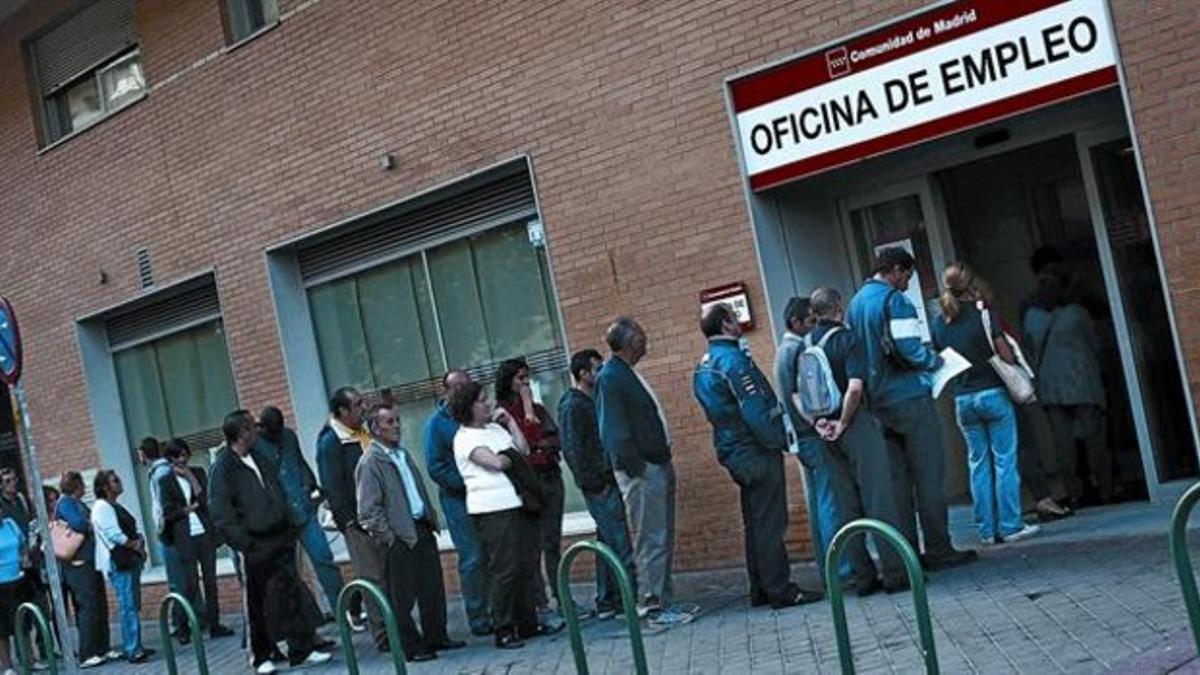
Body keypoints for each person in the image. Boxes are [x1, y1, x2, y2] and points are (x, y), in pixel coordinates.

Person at [844, 247, 975, 570]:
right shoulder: (896, 301)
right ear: (896, 270)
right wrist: (937, 361)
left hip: (877, 404)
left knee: (896, 485)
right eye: (907, 276)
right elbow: (909, 349)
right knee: (928, 477)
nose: (906, 284)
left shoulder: (855, 303)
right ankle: (939, 549)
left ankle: (905, 553)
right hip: (909, 399)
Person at [693, 303, 823, 609]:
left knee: (754, 521)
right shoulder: (734, 361)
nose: (738, 323)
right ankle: (780, 590)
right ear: (726, 324)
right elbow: (755, 410)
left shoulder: (705, 363)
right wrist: (779, 440)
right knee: (769, 523)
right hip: (754, 450)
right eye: (734, 319)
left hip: (732, 449)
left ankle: (761, 588)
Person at [801, 287, 909, 595]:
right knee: (879, 499)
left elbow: (800, 394)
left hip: (824, 432)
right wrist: (844, 422)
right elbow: (856, 388)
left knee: (845, 505)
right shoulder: (848, 340)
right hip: (854, 426)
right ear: (839, 308)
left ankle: (863, 578)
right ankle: (895, 574)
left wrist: (819, 423)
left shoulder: (808, 344)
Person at [210, 410, 333, 674]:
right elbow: (221, 512)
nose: (257, 431)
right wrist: (245, 543)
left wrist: (287, 524)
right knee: (257, 601)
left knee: (291, 592)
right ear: (242, 432)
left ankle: (302, 649)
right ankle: (260, 656)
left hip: (280, 535)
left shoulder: (260, 457)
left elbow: (277, 489)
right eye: (252, 427)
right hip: (254, 542)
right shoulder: (223, 468)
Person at [932, 264, 1041, 545]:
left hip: (963, 398)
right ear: (970, 286)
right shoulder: (983, 316)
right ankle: (1011, 525)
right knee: (1005, 460)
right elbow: (1004, 354)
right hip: (992, 393)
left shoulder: (939, 323)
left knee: (977, 464)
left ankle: (986, 530)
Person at [595, 317, 693, 625]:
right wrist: (638, 467)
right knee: (651, 537)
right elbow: (613, 430)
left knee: (661, 534)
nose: (645, 338)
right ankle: (652, 605)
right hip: (641, 471)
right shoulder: (611, 377)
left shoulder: (625, 374)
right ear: (628, 342)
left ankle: (663, 599)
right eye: (640, 334)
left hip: (653, 464)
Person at [357, 404, 464, 662]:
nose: (396, 426)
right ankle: (410, 647)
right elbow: (368, 510)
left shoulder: (401, 454)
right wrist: (390, 538)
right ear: (374, 429)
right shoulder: (371, 461)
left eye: (397, 420)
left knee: (432, 588)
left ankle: (436, 636)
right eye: (389, 422)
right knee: (402, 597)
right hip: (398, 536)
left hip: (421, 527)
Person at [449, 381, 546, 649]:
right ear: (469, 407)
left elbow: (522, 450)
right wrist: (509, 456)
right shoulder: (464, 438)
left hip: (517, 503)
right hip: (492, 509)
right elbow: (494, 463)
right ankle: (503, 627)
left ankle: (528, 622)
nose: (489, 403)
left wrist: (511, 423)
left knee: (526, 564)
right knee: (504, 569)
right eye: (482, 400)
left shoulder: (494, 429)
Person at [1024, 264, 1112, 506]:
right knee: (1094, 440)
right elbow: (1096, 345)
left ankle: (1074, 493)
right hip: (1083, 382)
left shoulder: (1032, 318)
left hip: (1051, 386)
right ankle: (1105, 489)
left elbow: (1029, 353)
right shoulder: (1077, 314)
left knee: (1063, 446)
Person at [558, 348, 636, 619]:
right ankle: (630, 601)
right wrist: (595, 482)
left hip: (606, 478)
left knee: (608, 542)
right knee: (619, 542)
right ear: (583, 374)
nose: (601, 372)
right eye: (597, 368)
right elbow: (573, 450)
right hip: (599, 483)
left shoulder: (594, 399)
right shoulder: (573, 405)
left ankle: (607, 600)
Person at [771, 297, 843, 581]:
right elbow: (805, 394)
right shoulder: (799, 349)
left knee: (817, 502)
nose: (815, 326)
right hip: (811, 433)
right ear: (796, 323)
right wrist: (819, 422)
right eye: (810, 321)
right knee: (829, 501)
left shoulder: (782, 351)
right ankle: (839, 568)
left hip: (799, 437)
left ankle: (826, 568)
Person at [256, 407, 344, 616]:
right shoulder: (256, 446)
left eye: (279, 429)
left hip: (304, 510)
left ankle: (343, 610)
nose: (277, 435)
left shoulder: (289, 436)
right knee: (289, 573)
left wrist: (311, 485)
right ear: (263, 427)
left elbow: (299, 463)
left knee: (324, 559)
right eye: (272, 431)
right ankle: (305, 623)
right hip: (281, 520)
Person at [494, 358, 565, 617]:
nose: (525, 383)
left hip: (549, 476)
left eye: (527, 378)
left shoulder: (538, 408)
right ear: (508, 382)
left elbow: (551, 439)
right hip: (528, 483)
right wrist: (526, 410)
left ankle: (562, 595)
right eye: (519, 378)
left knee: (552, 542)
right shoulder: (502, 413)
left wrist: (542, 442)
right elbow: (523, 446)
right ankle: (540, 602)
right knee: (533, 545)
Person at [423, 370, 491, 636]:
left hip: (487, 495)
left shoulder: (476, 418)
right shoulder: (436, 425)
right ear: (446, 392)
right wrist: (467, 483)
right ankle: (478, 617)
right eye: (458, 387)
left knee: (492, 555)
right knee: (472, 557)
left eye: (467, 386)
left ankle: (499, 610)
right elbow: (435, 466)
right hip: (459, 501)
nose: (465, 391)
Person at [316, 387, 383, 645]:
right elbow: (333, 486)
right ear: (342, 411)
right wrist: (349, 522)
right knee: (371, 576)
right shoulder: (331, 441)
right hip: (357, 520)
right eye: (357, 404)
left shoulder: (362, 433)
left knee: (386, 573)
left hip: (379, 513)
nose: (363, 407)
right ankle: (383, 634)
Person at [157, 439, 233, 641]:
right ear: (170, 459)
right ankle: (183, 628)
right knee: (189, 584)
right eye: (178, 456)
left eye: (185, 455)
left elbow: (205, 499)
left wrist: (190, 478)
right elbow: (168, 511)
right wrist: (186, 509)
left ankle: (215, 624)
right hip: (184, 537)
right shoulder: (165, 481)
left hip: (204, 534)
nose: (183, 459)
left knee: (210, 581)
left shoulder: (197, 472)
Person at [91, 470, 154, 664]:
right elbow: (114, 534)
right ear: (104, 487)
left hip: (128, 559)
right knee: (127, 604)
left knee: (132, 603)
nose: (119, 482)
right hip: (119, 560)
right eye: (114, 480)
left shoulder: (113, 505)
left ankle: (135, 645)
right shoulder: (102, 507)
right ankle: (132, 648)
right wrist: (135, 544)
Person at [55, 471, 113, 668]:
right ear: (76, 485)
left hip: (89, 560)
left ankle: (102, 647)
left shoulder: (76, 503)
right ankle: (88, 652)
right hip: (77, 564)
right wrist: (90, 524)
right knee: (87, 606)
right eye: (81, 484)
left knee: (98, 604)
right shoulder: (66, 503)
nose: (84, 487)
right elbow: (79, 524)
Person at [0, 513, 33, 675]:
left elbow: (22, 544)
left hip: (18, 579)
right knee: (2, 628)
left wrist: (24, 557)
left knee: (23, 623)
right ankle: (7, 666)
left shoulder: (10, 524)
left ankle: (28, 660)